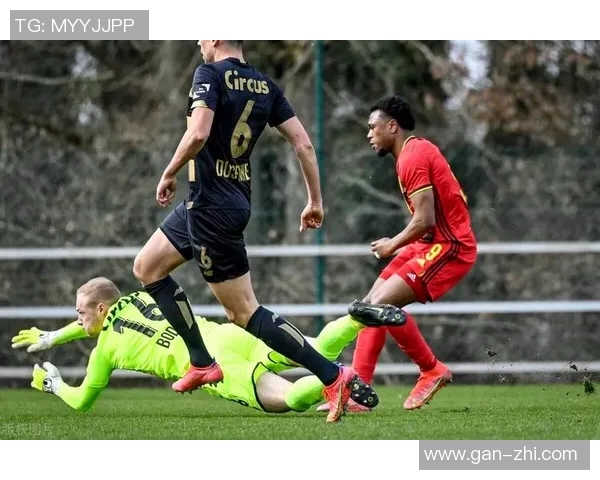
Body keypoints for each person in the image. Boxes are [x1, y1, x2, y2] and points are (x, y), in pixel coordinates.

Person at [130, 40, 374, 421]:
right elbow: (304, 144)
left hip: (211, 210)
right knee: (147, 267)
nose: (197, 41)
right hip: (215, 202)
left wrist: (169, 171)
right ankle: (201, 361)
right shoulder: (265, 85)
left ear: (215, 37)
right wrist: (315, 200)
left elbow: (198, 134)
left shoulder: (208, 74)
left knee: (243, 312)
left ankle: (333, 376)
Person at [11, 277, 397, 415]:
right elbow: (93, 324)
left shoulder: (104, 352)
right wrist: (53, 336)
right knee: (313, 350)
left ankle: (342, 377)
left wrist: (54, 384)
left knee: (292, 399)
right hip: (225, 335)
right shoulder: (139, 297)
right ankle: (355, 319)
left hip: (212, 367)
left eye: (80, 313)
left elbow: (81, 401)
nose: (78, 321)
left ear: (100, 308)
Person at [317, 95, 477, 413]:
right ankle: (359, 392)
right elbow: (430, 219)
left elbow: (425, 219)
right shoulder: (415, 151)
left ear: (392, 126)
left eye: (372, 127)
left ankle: (431, 369)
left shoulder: (411, 157)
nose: (369, 134)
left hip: (451, 247)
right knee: (368, 309)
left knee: (379, 306)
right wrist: (403, 243)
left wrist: (392, 245)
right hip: (430, 243)